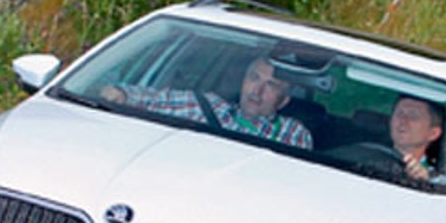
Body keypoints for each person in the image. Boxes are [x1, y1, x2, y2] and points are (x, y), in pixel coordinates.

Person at [100, 57, 313, 149]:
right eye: (254, 78)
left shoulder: (293, 133)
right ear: (243, 81)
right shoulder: (207, 107)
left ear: (283, 100)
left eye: (271, 85)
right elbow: (156, 100)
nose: (256, 91)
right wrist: (121, 94)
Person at [389, 95, 446, 183]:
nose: (403, 120)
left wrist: (424, 181)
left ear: (433, 133)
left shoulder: (437, 179)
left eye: (413, 116)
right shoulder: (367, 154)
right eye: (399, 113)